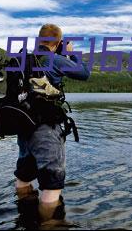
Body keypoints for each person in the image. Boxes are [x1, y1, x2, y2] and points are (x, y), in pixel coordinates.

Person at [14, 24, 90, 226]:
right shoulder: (53, 59)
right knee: (51, 185)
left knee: (24, 176)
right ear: (57, 43)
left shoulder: (25, 60)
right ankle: (49, 225)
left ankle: (25, 215)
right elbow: (84, 73)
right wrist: (72, 54)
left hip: (24, 128)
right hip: (45, 129)